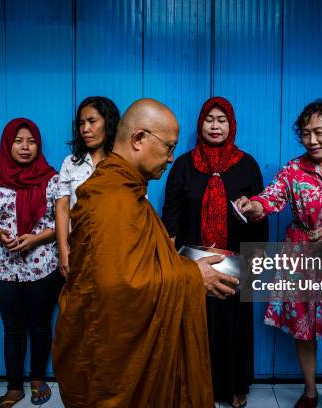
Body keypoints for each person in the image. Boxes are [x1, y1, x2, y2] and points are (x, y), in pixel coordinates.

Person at [53, 98, 240, 407]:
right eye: (168, 147)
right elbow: (119, 286)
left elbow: (134, 263)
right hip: (111, 358)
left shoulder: (127, 191)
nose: (170, 158)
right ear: (138, 139)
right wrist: (192, 276)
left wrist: (177, 263)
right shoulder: (111, 199)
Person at [236, 99, 322, 408]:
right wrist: (254, 205)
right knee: (304, 326)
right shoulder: (294, 169)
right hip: (300, 256)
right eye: (305, 133)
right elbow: (271, 197)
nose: (311, 140)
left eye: (319, 132)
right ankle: (310, 390)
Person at [162, 96, 268, 408]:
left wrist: (257, 254)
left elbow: (259, 214)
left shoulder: (246, 165)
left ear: (231, 125)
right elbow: (171, 214)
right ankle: (195, 385)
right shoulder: (183, 165)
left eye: (222, 120)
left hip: (233, 260)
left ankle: (235, 386)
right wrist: (171, 259)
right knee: (195, 326)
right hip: (192, 262)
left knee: (231, 327)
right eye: (210, 119)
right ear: (200, 124)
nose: (215, 125)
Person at [0, 118, 62, 407]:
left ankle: (38, 379)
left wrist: (35, 239)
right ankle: (14, 387)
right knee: (12, 328)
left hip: (43, 265)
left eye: (31, 141)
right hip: (5, 268)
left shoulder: (52, 179)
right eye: (18, 141)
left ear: (38, 144)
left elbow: (61, 222)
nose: (25, 147)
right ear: (7, 144)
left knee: (40, 325)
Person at [55, 96, 120, 278]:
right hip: (78, 251)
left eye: (92, 121)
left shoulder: (122, 164)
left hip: (115, 252)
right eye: (81, 123)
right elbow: (62, 207)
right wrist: (63, 251)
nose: (85, 129)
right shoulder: (70, 163)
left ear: (109, 123)